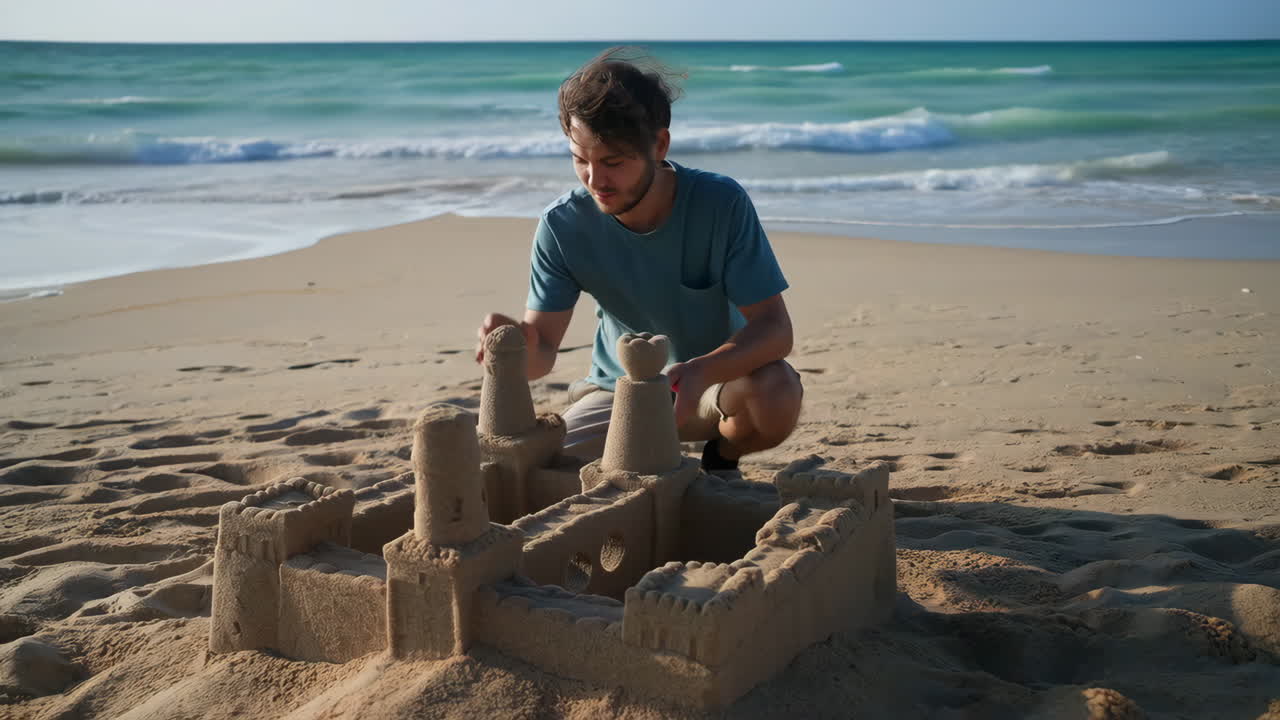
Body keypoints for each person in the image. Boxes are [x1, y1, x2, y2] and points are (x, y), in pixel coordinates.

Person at [475, 48, 802, 472]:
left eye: (613, 161)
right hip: (618, 392)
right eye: (580, 160)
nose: (596, 179)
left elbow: (775, 330)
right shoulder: (563, 225)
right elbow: (542, 359)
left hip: (714, 387)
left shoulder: (720, 204)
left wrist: (702, 370)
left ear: (659, 144)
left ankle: (721, 459)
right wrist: (520, 344)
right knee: (544, 471)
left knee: (776, 394)